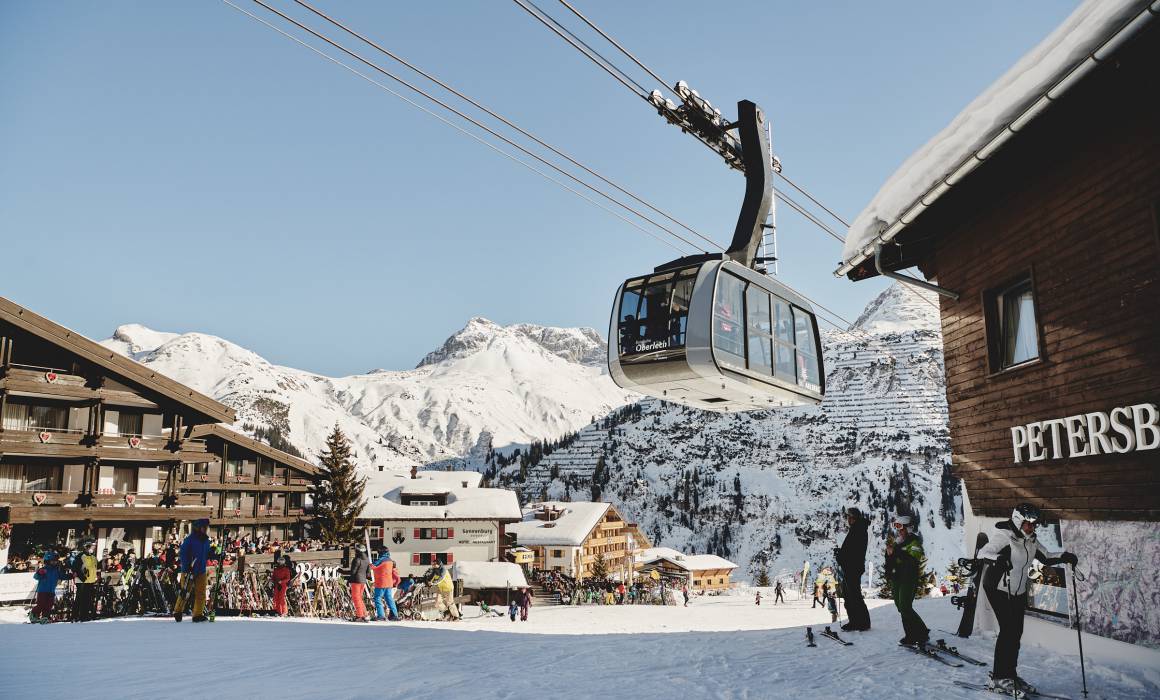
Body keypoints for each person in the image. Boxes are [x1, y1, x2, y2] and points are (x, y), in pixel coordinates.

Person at [977, 503, 1078, 698]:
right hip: (998, 588)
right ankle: (999, 677)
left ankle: (1010, 675)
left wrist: (1065, 556)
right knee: (1008, 631)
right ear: (1017, 520)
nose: (1031, 528)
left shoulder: (1031, 540)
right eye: (1027, 524)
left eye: (1033, 525)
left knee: (1016, 632)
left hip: (1018, 590)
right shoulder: (1004, 536)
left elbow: (1047, 556)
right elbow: (983, 552)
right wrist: (998, 559)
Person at [885, 513, 929, 645]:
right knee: (900, 607)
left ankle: (919, 633)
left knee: (905, 607)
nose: (899, 531)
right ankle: (914, 633)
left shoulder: (914, 543)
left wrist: (895, 553)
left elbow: (912, 561)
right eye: (897, 528)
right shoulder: (898, 542)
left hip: (908, 578)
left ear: (908, 528)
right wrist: (889, 556)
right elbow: (892, 560)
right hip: (897, 578)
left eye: (901, 528)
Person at [837, 507, 871, 631]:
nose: (847, 519)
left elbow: (852, 551)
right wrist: (841, 554)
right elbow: (851, 550)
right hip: (853, 566)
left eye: (849, 517)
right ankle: (857, 621)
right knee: (850, 595)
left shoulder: (858, 530)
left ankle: (860, 622)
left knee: (853, 595)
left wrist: (840, 555)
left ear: (853, 518)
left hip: (853, 567)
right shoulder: (858, 529)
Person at [176, 519, 213, 622]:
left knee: (201, 593)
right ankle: (178, 611)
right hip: (189, 570)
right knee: (185, 592)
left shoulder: (206, 540)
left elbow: (207, 553)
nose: (205, 530)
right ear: (198, 528)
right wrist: (187, 566)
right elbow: (183, 554)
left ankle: (197, 614)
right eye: (204, 528)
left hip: (201, 570)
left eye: (206, 528)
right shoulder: (190, 540)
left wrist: (213, 555)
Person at [30, 552, 70, 623]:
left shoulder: (56, 570)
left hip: (51, 591)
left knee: (49, 605)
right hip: (42, 591)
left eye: (56, 561)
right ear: (48, 561)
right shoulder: (44, 569)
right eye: (53, 561)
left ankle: (45, 616)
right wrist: (39, 573)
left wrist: (71, 576)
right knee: (41, 604)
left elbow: (63, 576)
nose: (55, 562)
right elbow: (36, 576)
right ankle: (34, 615)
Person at [71, 540, 99, 622]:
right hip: (82, 581)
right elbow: (75, 568)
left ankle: (85, 615)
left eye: (93, 547)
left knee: (87, 599)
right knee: (80, 599)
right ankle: (76, 616)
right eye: (90, 547)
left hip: (90, 581)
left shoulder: (93, 557)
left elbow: (95, 568)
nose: (92, 549)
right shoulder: (80, 556)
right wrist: (82, 577)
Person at [370, 549, 400, 621]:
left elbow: (372, 566)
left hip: (381, 582)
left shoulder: (381, 559)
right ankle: (394, 615)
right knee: (389, 599)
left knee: (377, 598)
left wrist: (370, 565)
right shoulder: (390, 560)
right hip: (389, 583)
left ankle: (381, 615)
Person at [347, 544, 371, 622]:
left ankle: (359, 615)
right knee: (359, 598)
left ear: (357, 551)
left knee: (356, 598)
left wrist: (348, 579)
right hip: (363, 581)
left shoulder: (357, 559)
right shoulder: (367, 559)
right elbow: (368, 573)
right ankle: (364, 614)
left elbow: (353, 572)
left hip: (356, 580)